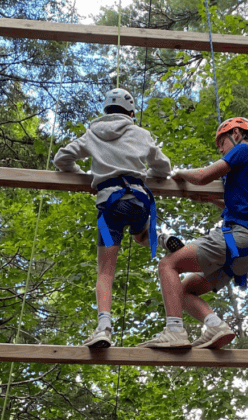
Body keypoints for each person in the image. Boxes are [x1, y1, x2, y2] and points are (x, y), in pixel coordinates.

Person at [53, 88, 175, 348]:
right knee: (141, 233)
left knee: (105, 272)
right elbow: (164, 168)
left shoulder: (92, 134)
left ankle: (103, 328)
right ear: (131, 113)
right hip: (139, 203)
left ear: (106, 111)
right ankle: (162, 238)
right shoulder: (141, 134)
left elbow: (62, 159)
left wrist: (85, 175)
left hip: (110, 208)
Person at [138, 116, 248, 349]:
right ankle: (217, 326)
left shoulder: (245, 150)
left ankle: (174, 331)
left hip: (235, 236)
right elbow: (243, 208)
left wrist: (180, 173)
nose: (221, 150)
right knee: (184, 291)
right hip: (245, 250)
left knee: (168, 265)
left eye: (221, 144)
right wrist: (212, 199)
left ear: (235, 135)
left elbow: (201, 177)